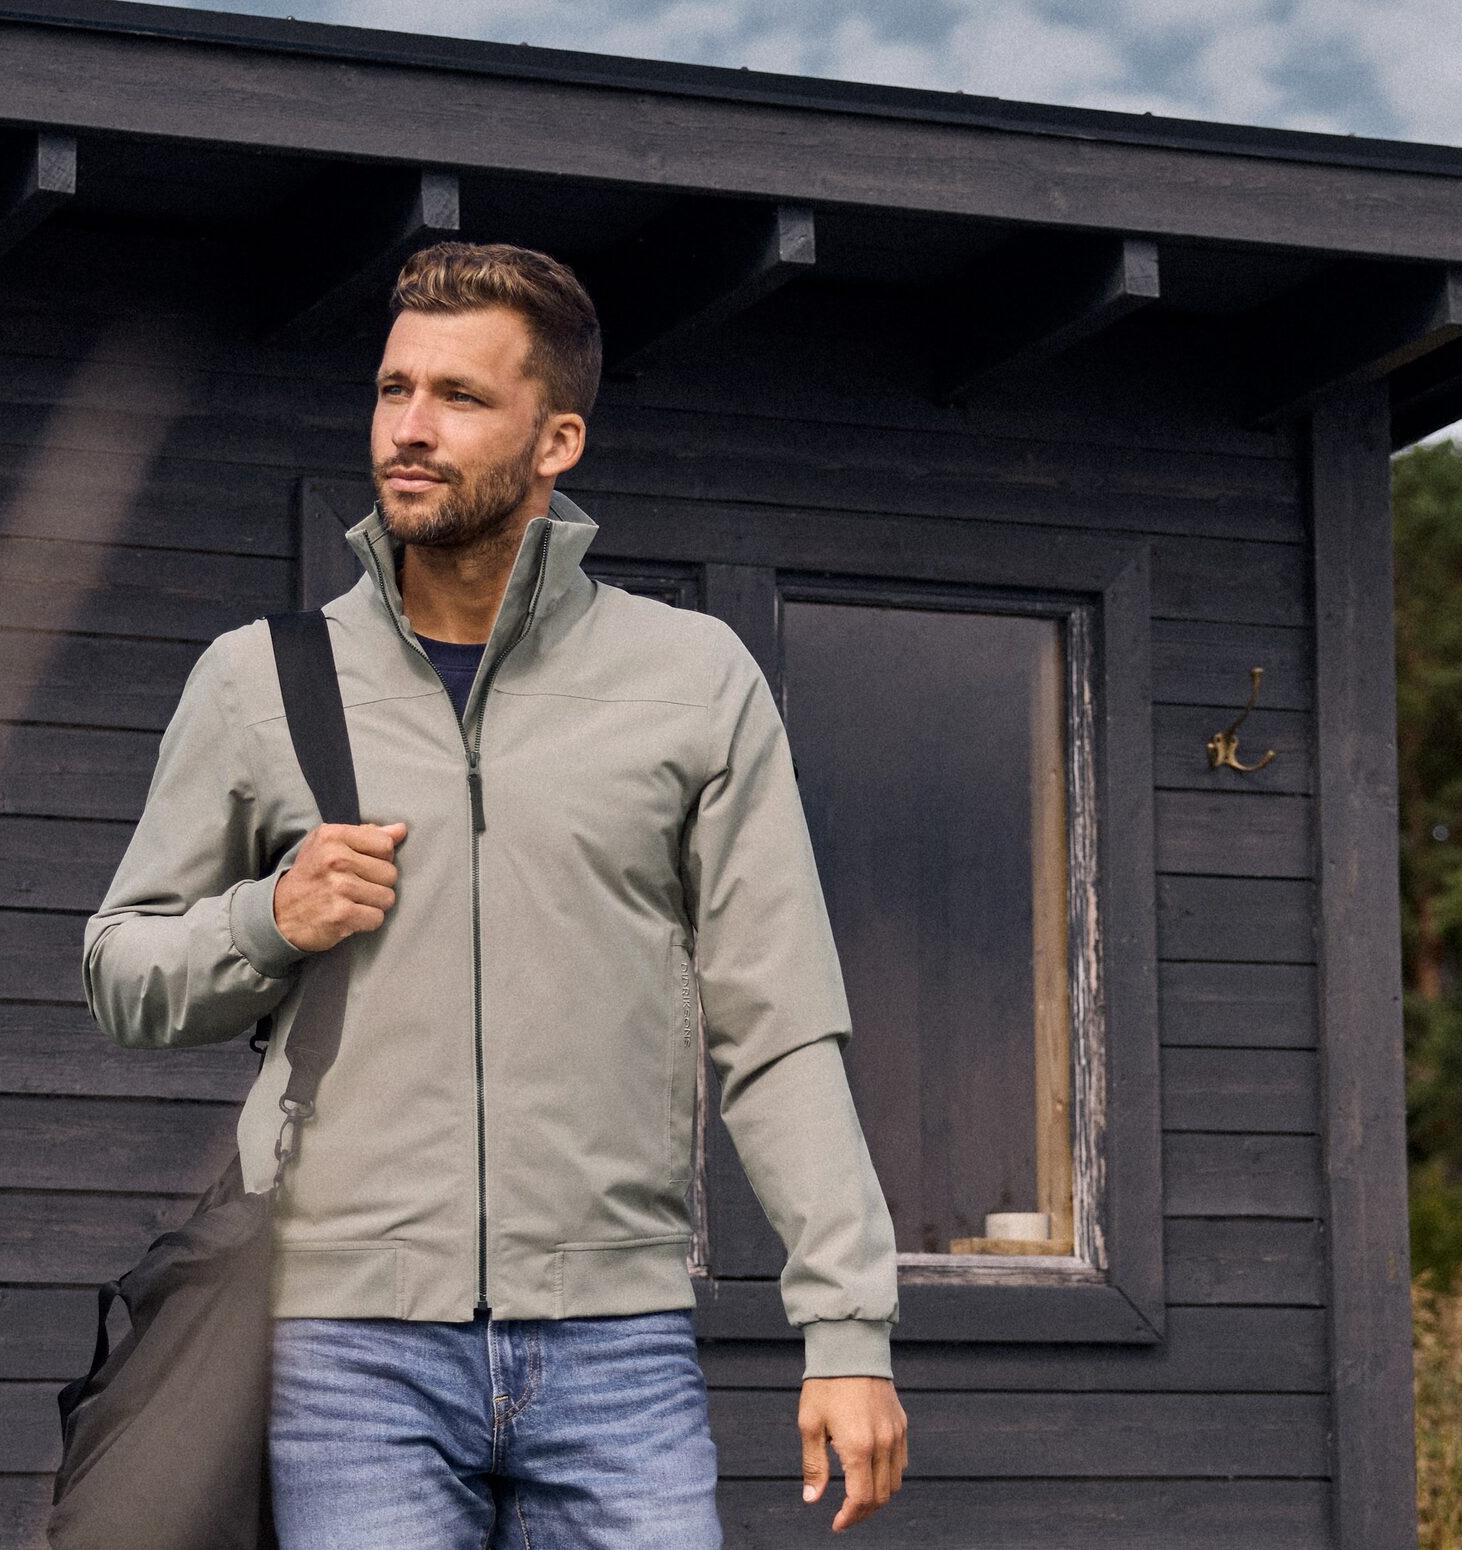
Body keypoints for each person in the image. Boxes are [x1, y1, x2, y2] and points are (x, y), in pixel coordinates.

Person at [82, 242, 908, 1546]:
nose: (409, 428)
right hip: (348, 1346)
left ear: (555, 438)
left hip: (617, 1347)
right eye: (393, 389)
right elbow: (121, 974)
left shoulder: (692, 679)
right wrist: (267, 920)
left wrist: (846, 1328)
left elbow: (779, 1025)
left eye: (459, 396)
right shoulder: (261, 680)